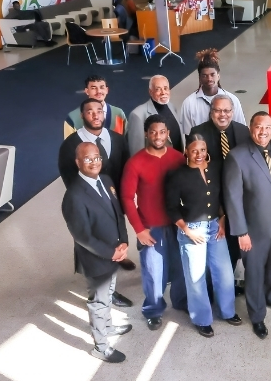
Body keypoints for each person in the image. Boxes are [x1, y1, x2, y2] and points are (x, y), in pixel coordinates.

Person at [223, 111, 271, 339]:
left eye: (267, 127)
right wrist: (241, 232)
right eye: (258, 127)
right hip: (253, 229)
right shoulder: (237, 156)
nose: (263, 132)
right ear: (251, 128)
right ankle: (257, 316)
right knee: (253, 273)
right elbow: (233, 198)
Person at [61, 142, 132, 363]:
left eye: (97, 157)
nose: (94, 162)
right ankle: (101, 347)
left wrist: (123, 242)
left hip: (114, 253)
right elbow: (83, 236)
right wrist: (112, 253)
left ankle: (108, 327)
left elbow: (118, 214)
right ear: (77, 162)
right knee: (99, 302)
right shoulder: (74, 195)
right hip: (96, 259)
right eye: (88, 159)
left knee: (109, 293)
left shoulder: (107, 181)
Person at [165, 133, 241, 337]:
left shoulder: (215, 168)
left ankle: (227, 311)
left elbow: (220, 196)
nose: (199, 154)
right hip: (192, 230)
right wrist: (186, 230)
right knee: (196, 277)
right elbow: (171, 208)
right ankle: (202, 319)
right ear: (186, 152)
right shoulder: (177, 175)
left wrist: (223, 219)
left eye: (203, 150)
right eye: (194, 150)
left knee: (224, 272)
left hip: (216, 226)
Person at [120, 115, 187, 331]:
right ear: (147, 134)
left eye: (162, 132)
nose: (158, 136)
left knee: (180, 268)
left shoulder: (178, 158)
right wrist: (139, 230)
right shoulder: (135, 163)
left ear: (168, 134)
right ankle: (153, 310)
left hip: (177, 225)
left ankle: (181, 301)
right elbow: (127, 198)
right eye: (153, 132)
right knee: (153, 272)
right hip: (151, 228)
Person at [59, 98, 135, 275]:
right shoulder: (70, 145)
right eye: (90, 111)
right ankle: (96, 276)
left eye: (99, 111)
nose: (95, 115)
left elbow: (126, 168)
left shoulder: (117, 139)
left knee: (114, 232)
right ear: (82, 115)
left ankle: (117, 257)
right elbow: (69, 179)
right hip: (88, 201)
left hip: (113, 197)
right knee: (89, 237)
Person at [189, 94, 249, 291]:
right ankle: (212, 288)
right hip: (210, 200)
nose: (222, 115)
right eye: (217, 110)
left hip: (238, 199)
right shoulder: (198, 132)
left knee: (234, 245)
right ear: (211, 112)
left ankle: (227, 284)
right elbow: (193, 167)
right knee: (213, 247)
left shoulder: (244, 132)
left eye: (226, 110)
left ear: (232, 112)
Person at [180, 48, 246, 133]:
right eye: (204, 75)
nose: (209, 79)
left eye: (212, 74)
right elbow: (188, 134)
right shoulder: (189, 104)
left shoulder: (233, 100)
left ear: (218, 76)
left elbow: (241, 129)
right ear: (199, 78)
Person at [127, 75, 182, 154]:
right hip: (155, 165)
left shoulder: (173, 107)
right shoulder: (137, 115)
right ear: (150, 92)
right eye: (158, 89)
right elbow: (136, 153)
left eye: (165, 88)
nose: (163, 92)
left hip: (178, 161)